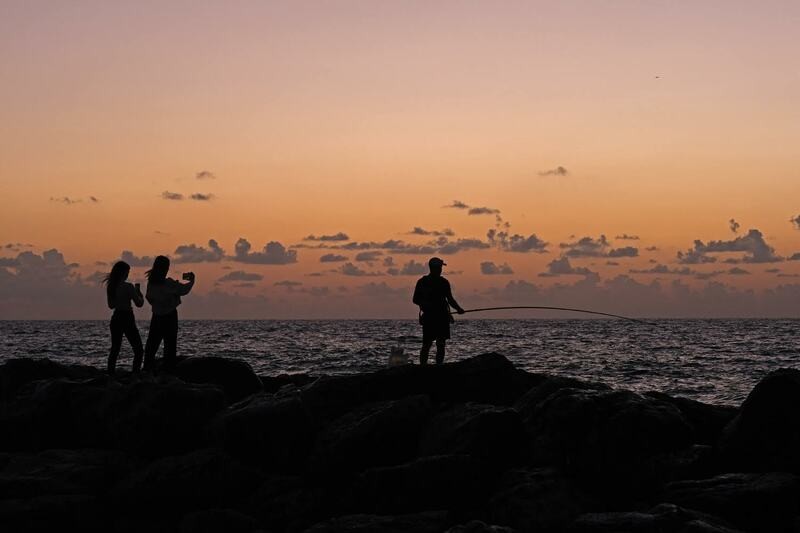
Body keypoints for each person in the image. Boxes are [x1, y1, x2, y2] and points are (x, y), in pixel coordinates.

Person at [142, 255, 195, 371]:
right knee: (170, 346)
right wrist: (192, 281)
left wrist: (158, 305)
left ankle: (147, 370)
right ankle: (168, 372)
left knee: (152, 345)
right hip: (170, 316)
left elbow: (149, 298)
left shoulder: (151, 284)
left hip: (156, 316)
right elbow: (184, 290)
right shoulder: (169, 284)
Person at [412, 257, 465, 365]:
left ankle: (433, 367)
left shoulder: (429, 282)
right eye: (440, 267)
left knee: (435, 344)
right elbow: (416, 299)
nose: (441, 269)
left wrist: (458, 309)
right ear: (435, 268)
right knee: (431, 344)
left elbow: (449, 299)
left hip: (439, 317)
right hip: (436, 317)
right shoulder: (432, 282)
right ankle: (432, 367)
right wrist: (458, 309)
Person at [103, 261, 144, 375]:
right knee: (138, 349)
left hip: (116, 318)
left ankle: (111, 377)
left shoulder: (111, 286)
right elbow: (139, 304)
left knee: (115, 349)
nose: (128, 274)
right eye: (128, 272)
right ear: (124, 273)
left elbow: (111, 305)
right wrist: (139, 293)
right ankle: (135, 376)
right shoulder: (129, 287)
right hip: (127, 318)